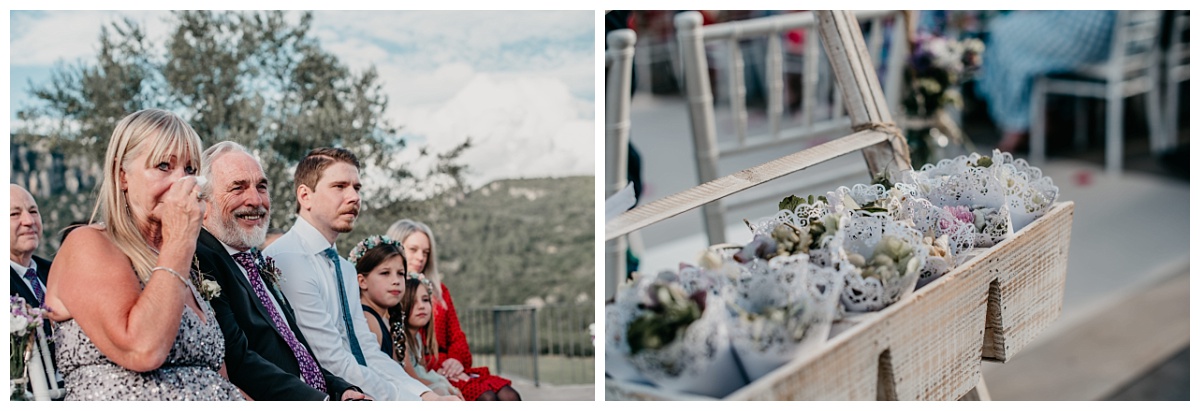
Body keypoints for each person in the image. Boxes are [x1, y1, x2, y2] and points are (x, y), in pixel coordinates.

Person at [42, 108, 242, 400]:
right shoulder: (88, 244)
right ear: (122, 176)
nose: (181, 183)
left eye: (190, 170)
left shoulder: (176, 259)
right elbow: (142, 349)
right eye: (163, 166)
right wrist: (180, 242)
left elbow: (216, 376)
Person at [264, 147, 458, 401]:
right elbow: (330, 358)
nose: (354, 197)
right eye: (340, 186)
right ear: (305, 196)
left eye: (357, 188)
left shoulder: (344, 268)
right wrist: (410, 401)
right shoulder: (286, 259)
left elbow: (365, 349)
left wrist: (424, 394)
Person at [194, 141, 368, 400]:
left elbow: (295, 349)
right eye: (237, 188)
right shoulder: (201, 259)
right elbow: (238, 359)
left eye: (261, 186)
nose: (255, 200)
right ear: (204, 201)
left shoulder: (255, 261)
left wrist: (340, 388)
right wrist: (322, 401)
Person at [387, 220, 520, 401]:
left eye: (426, 252)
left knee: (509, 395)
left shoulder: (439, 291)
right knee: (486, 397)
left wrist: (455, 361)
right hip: (426, 370)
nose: (420, 257)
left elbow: (457, 336)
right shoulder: (389, 292)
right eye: (413, 249)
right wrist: (440, 366)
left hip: (451, 366)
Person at [975, 11, 1117, 152]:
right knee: (1014, 28)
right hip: (1109, 35)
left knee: (1002, 32)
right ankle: (1037, 115)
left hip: (1082, 33)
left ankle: (1017, 122)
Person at [349, 235, 461, 399]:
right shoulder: (367, 319)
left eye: (400, 273)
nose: (395, 281)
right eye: (385, 273)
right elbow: (375, 376)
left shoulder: (386, 321)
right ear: (362, 281)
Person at [399, 274, 463, 399]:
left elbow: (422, 370)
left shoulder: (417, 338)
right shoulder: (403, 339)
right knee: (442, 391)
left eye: (425, 300)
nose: (421, 306)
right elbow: (413, 379)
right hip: (413, 390)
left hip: (423, 382)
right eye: (413, 301)